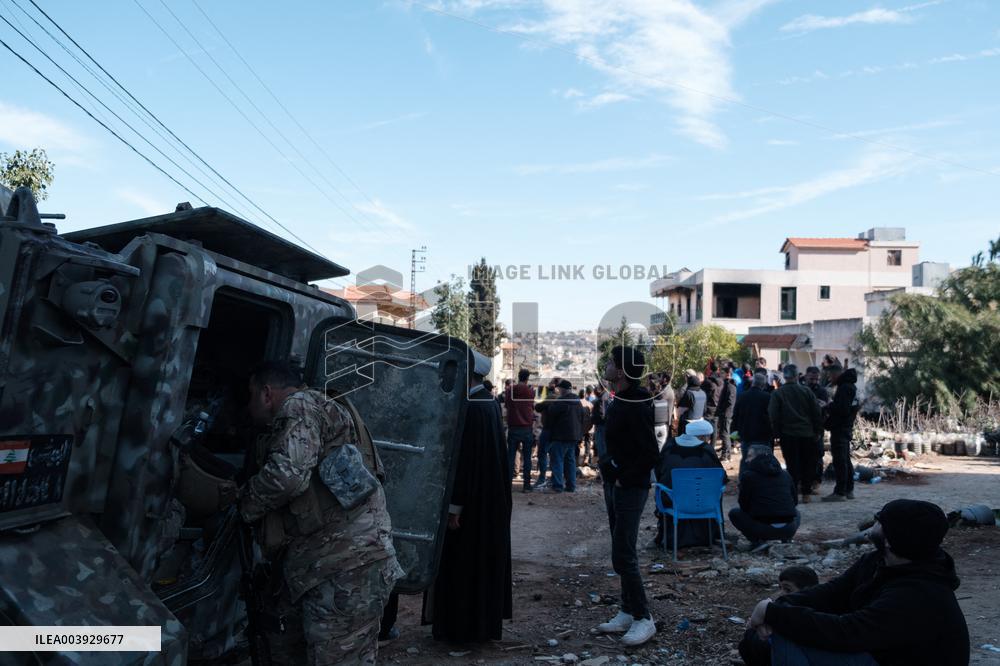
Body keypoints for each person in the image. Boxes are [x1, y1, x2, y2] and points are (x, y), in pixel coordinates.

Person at [240, 361, 403, 664]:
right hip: (341, 563)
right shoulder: (323, 405)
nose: (248, 406)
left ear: (266, 394)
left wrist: (244, 504)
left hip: (343, 567)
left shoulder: (299, 406)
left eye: (249, 396)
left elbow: (288, 476)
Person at [748, 499, 970, 666]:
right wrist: (779, 607)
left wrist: (773, 614)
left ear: (891, 539)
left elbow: (848, 632)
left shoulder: (920, 592)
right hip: (878, 653)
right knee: (769, 638)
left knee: (785, 638)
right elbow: (831, 593)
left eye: (879, 522)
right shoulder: (878, 562)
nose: (871, 527)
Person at [423, 350, 513, 643]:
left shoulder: (473, 406)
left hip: (471, 507)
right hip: (486, 503)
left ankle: (462, 632)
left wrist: (454, 508)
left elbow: (464, 463)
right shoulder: (485, 403)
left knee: (464, 567)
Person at [595, 345, 660, 647]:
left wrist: (622, 477)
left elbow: (650, 452)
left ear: (620, 371)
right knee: (619, 549)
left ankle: (643, 618)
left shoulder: (635, 403)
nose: (606, 365)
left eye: (610, 362)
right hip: (615, 484)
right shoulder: (620, 399)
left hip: (629, 488)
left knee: (625, 554)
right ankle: (626, 609)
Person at [655, 418, 728, 550]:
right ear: (702, 437)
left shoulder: (669, 446)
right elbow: (722, 478)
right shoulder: (706, 451)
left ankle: (669, 537)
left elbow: (659, 472)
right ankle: (714, 533)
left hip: (674, 501)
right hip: (705, 503)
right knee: (716, 490)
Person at [738, 566, 819, 666]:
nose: (780, 593)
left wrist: (753, 629)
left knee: (754, 641)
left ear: (807, 591)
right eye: (780, 588)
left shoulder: (809, 613)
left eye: (788, 590)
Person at [729, 444, 799, 551]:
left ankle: (757, 542)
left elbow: (743, 505)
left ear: (758, 457)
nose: (746, 460)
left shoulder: (748, 476)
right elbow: (795, 501)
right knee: (796, 512)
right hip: (789, 528)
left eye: (749, 456)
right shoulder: (785, 474)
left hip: (762, 529)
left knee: (734, 513)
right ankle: (786, 539)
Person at [768, 365, 822, 501]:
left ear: (784, 377)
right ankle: (806, 493)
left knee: (792, 465)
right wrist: (818, 430)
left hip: (788, 434)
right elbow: (816, 412)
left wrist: (776, 433)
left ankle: (793, 494)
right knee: (807, 463)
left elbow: (773, 415)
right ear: (797, 375)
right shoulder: (807, 391)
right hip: (807, 433)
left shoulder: (778, 393)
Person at [822, 365, 860, 503]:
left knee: (840, 460)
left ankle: (840, 492)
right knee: (845, 458)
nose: (830, 379)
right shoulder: (850, 386)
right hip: (846, 427)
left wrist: (828, 407)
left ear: (836, 374)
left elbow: (842, 410)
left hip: (840, 428)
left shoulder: (844, 388)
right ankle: (849, 489)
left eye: (830, 376)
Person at [544, 379, 583, 493]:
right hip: (574, 436)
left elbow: (551, 413)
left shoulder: (561, 401)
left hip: (560, 436)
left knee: (557, 460)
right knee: (570, 461)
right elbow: (582, 417)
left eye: (559, 388)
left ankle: (558, 486)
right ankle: (571, 486)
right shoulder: (577, 401)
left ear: (562, 389)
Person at [733, 372, 774, 470]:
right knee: (763, 460)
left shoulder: (742, 396)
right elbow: (771, 416)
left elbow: (736, 416)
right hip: (763, 434)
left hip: (746, 434)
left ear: (753, 383)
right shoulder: (767, 397)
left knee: (746, 460)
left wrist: (735, 431)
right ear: (763, 385)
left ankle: (743, 482)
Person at [505, 369, 537, 493]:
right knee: (527, 457)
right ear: (527, 378)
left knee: (511, 457)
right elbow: (531, 406)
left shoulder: (510, 390)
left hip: (513, 427)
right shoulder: (530, 391)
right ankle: (527, 485)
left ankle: (507, 485)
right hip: (527, 428)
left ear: (518, 377)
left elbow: (507, 405)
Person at [804, 366, 831, 491]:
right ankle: (804, 481)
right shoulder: (802, 389)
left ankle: (816, 481)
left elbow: (824, 407)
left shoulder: (822, 391)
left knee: (817, 456)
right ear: (806, 376)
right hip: (803, 426)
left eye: (816, 379)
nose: (814, 381)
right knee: (804, 456)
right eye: (812, 378)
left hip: (817, 427)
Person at [533, 378, 560, 488]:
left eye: (550, 383)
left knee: (542, 453)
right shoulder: (564, 397)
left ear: (555, 385)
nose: (548, 384)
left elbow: (538, 407)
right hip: (559, 430)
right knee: (556, 455)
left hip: (548, 429)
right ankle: (555, 478)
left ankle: (542, 478)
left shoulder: (552, 397)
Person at [716, 365, 737, 461]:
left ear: (727, 374)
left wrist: (722, 411)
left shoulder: (730, 386)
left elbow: (730, 401)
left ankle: (726, 455)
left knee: (725, 434)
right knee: (724, 433)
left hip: (726, 414)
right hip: (725, 413)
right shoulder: (727, 384)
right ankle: (726, 454)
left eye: (723, 373)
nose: (721, 374)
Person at [701, 361, 723, 444]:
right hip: (718, 407)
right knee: (714, 428)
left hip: (709, 406)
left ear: (710, 369)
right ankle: (712, 447)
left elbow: (702, 392)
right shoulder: (722, 381)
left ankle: (706, 447)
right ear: (718, 369)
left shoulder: (707, 381)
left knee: (706, 429)